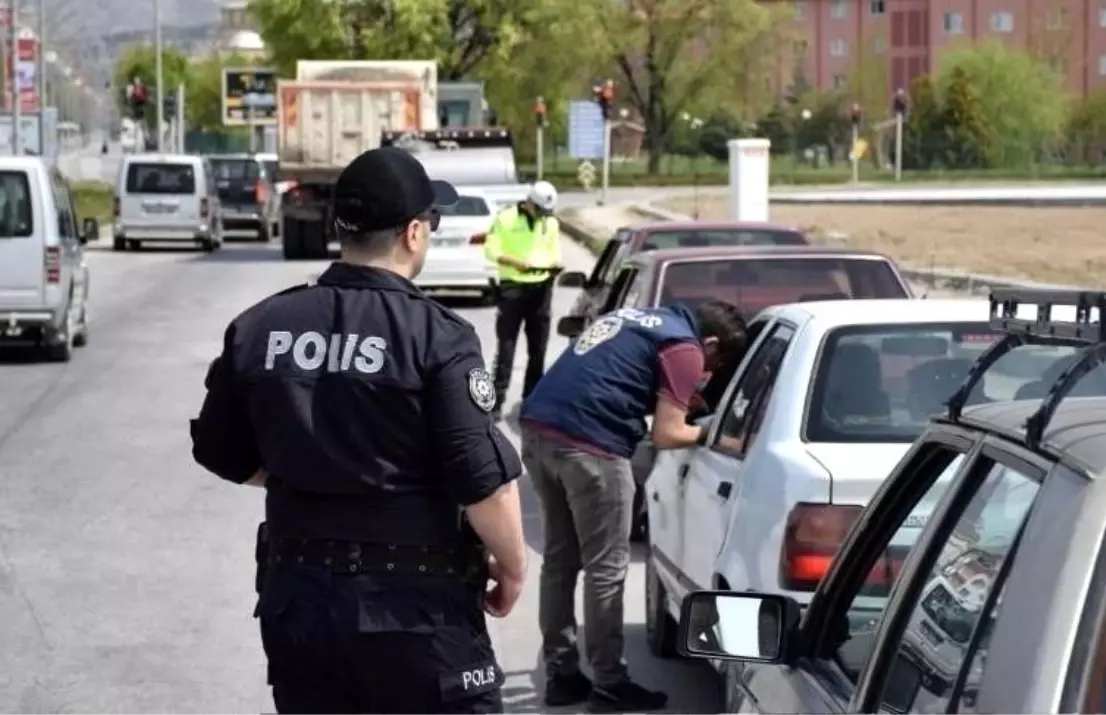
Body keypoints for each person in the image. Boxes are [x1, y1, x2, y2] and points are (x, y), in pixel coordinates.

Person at [189, 146, 527, 715]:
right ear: (414, 233)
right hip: (417, 613)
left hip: (300, 606)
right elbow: (483, 481)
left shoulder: (260, 325)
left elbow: (219, 449)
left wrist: (312, 474)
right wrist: (513, 568)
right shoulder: (438, 337)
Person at [519, 301, 748, 711]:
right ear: (710, 342)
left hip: (539, 434)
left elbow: (615, 376)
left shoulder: (637, 319)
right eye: (718, 359)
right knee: (606, 568)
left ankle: (563, 675)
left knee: (560, 561)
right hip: (592, 449)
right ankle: (610, 682)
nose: (708, 370)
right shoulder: (684, 347)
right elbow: (667, 433)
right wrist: (718, 438)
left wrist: (678, 398)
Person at [483, 180, 562, 419]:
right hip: (513, 289)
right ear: (529, 203)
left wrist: (555, 265)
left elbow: (553, 251)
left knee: (538, 349)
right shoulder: (506, 219)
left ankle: (531, 400)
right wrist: (514, 262)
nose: (542, 216)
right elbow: (491, 250)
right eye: (539, 210)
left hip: (542, 288)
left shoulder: (550, 222)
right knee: (506, 347)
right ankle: (496, 403)